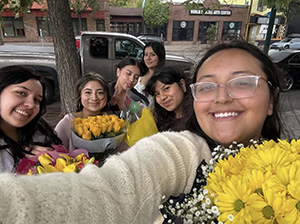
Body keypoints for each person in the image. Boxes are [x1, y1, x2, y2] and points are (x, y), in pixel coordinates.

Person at [0, 40, 290, 223]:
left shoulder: (293, 166)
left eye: (242, 82)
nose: (222, 97)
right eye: (208, 86)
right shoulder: (181, 151)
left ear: (272, 99)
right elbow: (103, 193)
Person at [0, 65, 62, 173]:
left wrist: (54, 157)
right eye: (21, 93)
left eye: (37, 100)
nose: (31, 104)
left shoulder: (40, 133)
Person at [54, 72, 110, 151]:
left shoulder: (112, 121)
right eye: (88, 92)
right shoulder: (68, 121)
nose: (94, 98)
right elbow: (54, 151)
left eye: (100, 93)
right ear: (80, 95)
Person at [145, 66, 192, 131]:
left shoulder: (198, 117)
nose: (162, 97)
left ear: (182, 84)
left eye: (166, 88)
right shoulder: (159, 122)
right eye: (157, 94)